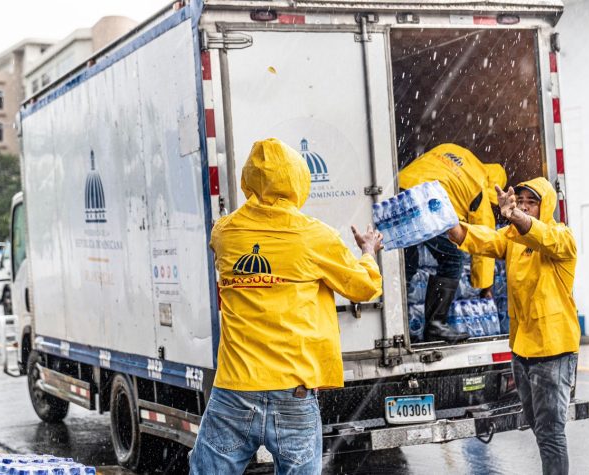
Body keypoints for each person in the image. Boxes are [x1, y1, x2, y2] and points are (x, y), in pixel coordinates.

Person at [189, 138, 384, 475]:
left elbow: (233, 242)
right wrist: (368, 253)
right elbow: (365, 287)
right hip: (293, 393)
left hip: (235, 390)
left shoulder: (225, 233)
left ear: (248, 180)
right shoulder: (314, 237)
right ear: (298, 180)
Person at [447, 177, 580, 475]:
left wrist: (516, 215)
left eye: (531, 203)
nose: (523, 207)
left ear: (544, 207)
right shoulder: (513, 239)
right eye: (520, 201)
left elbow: (544, 237)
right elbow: (484, 239)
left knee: (551, 432)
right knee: (536, 425)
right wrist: (452, 227)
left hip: (553, 351)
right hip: (523, 349)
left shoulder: (561, 238)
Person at [398, 143, 507, 342]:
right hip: (427, 200)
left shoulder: (455, 151)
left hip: (401, 187)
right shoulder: (479, 189)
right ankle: (435, 326)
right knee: (452, 259)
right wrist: (484, 287)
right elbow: (484, 244)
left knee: (406, 260)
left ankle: (395, 319)